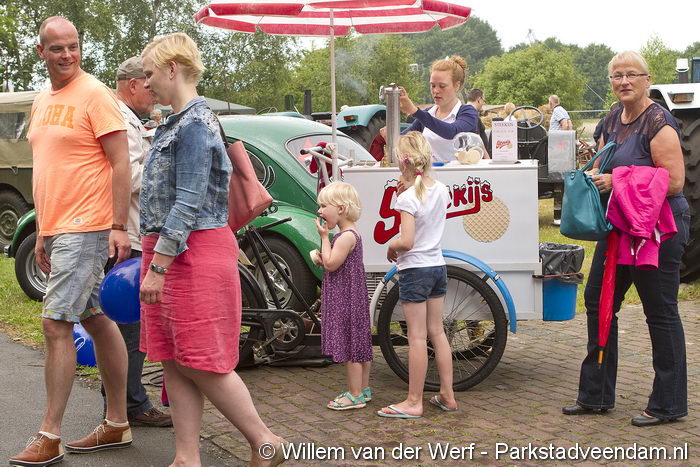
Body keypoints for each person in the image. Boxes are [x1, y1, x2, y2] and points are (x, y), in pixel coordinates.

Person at [138, 32, 286, 466]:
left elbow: (188, 202)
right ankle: (187, 457)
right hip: (168, 250)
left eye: (149, 74)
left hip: (190, 253)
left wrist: (158, 267)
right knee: (172, 357)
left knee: (201, 361)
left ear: (172, 69)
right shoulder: (174, 122)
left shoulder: (196, 125)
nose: (145, 83)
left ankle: (265, 441)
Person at [10, 16, 133, 467]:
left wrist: (118, 225)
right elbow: (48, 168)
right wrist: (42, 230)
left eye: (73, 46)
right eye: (57, 48)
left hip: (87, 225)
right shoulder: (43, 99)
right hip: (57, 226)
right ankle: (117, 422)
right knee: (95, 317)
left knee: (55, 323)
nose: (67, 55)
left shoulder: (95, 94)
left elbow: (121, 162)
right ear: (41, 52)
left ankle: (49, 435)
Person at [563, 51, 689, 427]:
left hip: (658, 229)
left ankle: (668, 404)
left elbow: (674, 181)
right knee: (597, 300)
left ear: (647, 79)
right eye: (617, 76)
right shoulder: (611, 119)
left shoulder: (659, 122)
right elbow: (605, 164)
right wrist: (593, 175)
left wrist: (616, 181)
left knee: (660, 312)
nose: (624, 81)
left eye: (631, 74)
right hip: (620, 225)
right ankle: (596, 395)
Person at [99, 56, 172, 427]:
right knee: (130, 325)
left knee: (126, 324)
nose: (153, 93)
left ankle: (122, 399)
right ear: (132, 85)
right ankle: (130, 403)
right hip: (128, 233)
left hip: (129, 230)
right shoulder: (122, 121)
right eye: (148, 84)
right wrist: (165, 159)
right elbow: (127, 176)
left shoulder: (126, 118)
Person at [377, 131, 455, 419]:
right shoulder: (442, 189)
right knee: (438, 332)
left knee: (417, 338)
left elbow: (407, 241)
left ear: (402, 162)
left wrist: (391, 245)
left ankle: (413, 401)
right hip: (437, 266)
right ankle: (447, 395)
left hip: (415, 269)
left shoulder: (407, 199)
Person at [312, 182, 373, 411]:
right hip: (353, 297)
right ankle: (363, 389)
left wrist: (324, 238)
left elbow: (331, 264)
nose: (319, 211)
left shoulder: (344, 237)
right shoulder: (352, 233)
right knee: (359, 345)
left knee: (349, 347)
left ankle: (355, 394)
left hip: (345, 299)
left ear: (340, 208)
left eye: (323, 206)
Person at [380, 55, 478, 162]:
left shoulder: (468, 112)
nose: (435, 91)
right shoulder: (428, 114)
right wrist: (391, 136)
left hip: (458, 172)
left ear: (457, 86)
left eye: (442, 86)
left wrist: (414, 111)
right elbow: (403, 140)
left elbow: (452, 132)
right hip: (429, 172)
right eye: (433, 85)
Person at [465, 88, 491, 158]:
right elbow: (477, 139)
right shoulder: (472, 114)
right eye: (483, 100)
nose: (483, 103)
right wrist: (487, 158)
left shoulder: (464, 112)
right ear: (479, 99)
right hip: (478, 156)